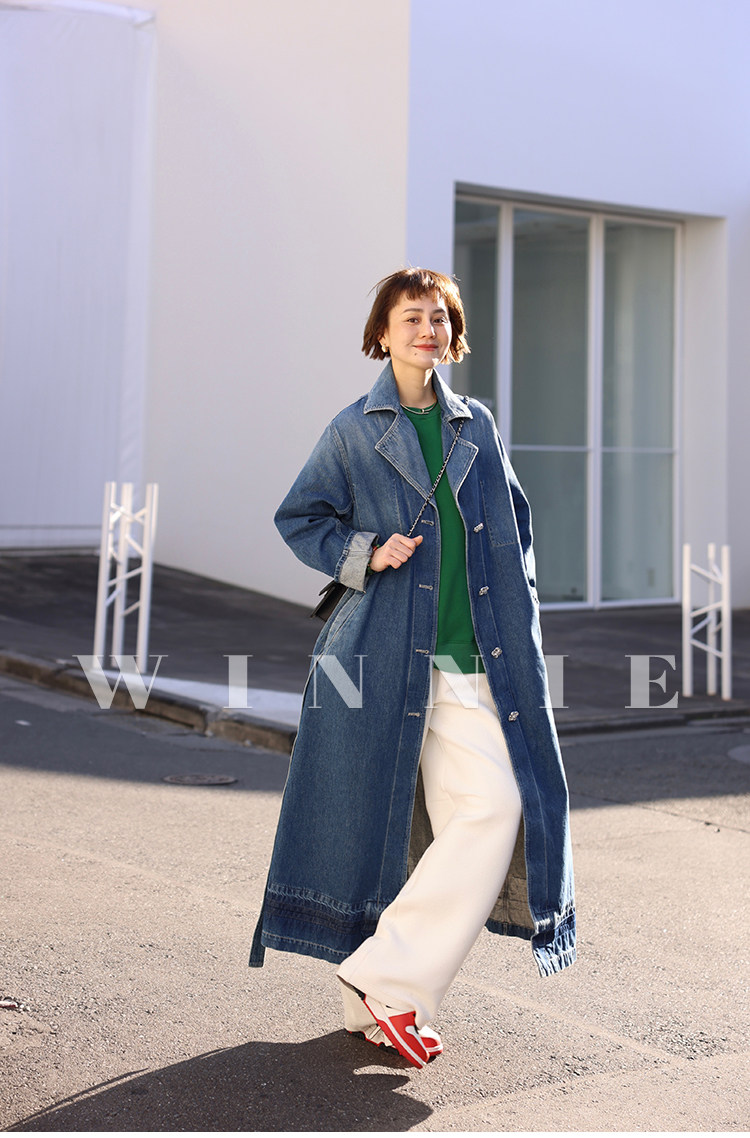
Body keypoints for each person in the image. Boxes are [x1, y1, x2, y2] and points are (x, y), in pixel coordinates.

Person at [250, 268, 576, 1068]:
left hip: (471, 660)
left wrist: (520, 603)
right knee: (374, 828)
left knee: (495, 808)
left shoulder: (476, 425)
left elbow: (517, 524)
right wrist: (364, 551)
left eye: (440, 318)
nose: (428, 330)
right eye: (412, 318)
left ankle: (384, 980)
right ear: (383, 333)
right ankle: (384, 999)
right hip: (378, 658)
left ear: (453, 334)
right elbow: (300, 517)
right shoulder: (353, 430)